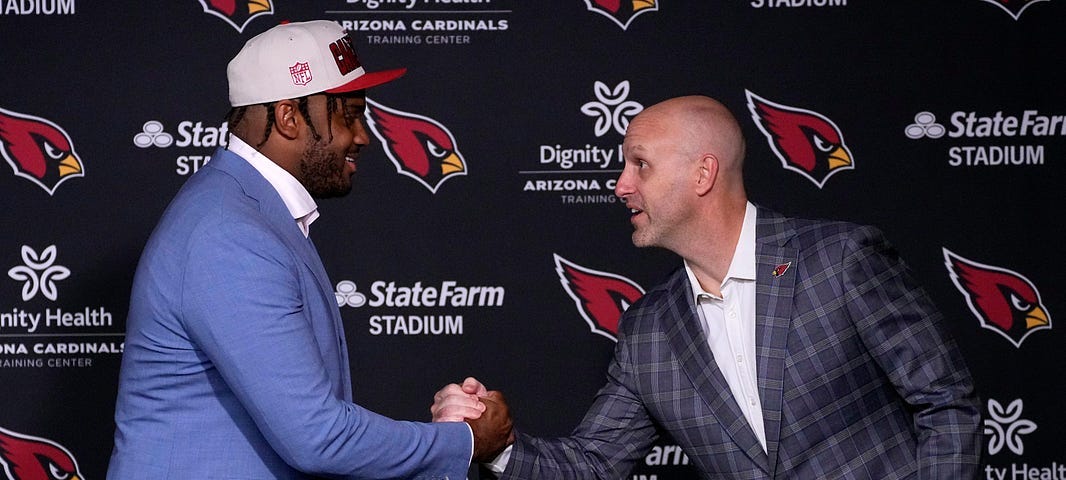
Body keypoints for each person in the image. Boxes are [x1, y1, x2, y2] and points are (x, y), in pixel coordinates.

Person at [432, 95, 983, 479]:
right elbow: (595, 465)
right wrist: (498, 445)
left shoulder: (840, 260)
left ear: (703, 174)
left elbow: (945, 403)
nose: (620, 185)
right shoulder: (649, 329)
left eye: (639, 165)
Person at [108, 20, 511, 479]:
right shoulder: (230, 233)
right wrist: (465, 441)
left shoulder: (248, 212)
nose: (363, 135)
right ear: (288, 117)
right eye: (348, 115)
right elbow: (318, 437)